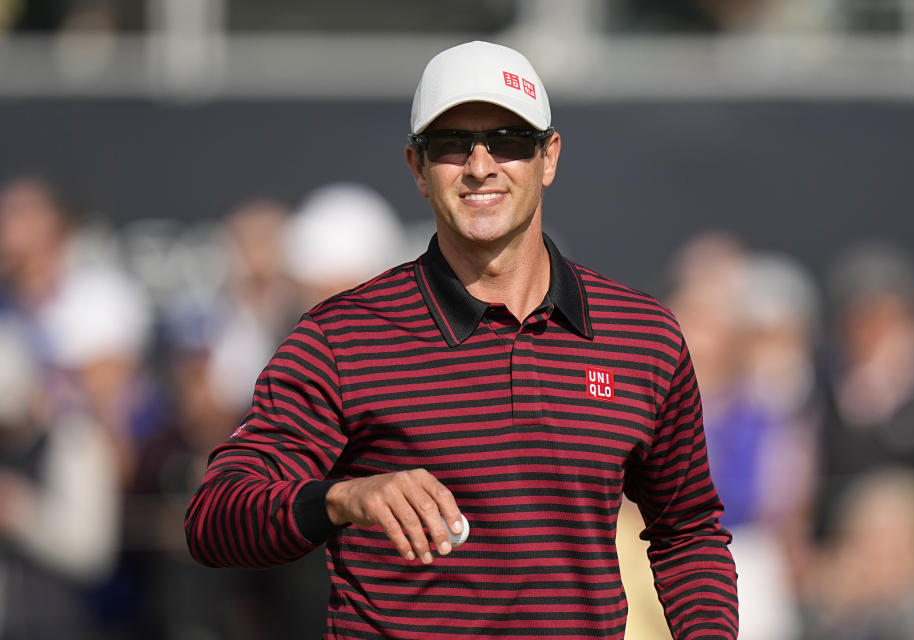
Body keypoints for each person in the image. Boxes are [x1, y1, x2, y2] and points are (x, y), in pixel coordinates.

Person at [185, 40, 739, 640]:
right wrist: (343, 498)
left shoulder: (641, 337)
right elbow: (214, 517)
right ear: (417, 168)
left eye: (507, 140)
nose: (480, 165)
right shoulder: (341, 337)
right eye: (452, 144)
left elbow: (688, 530)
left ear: (548, 157)